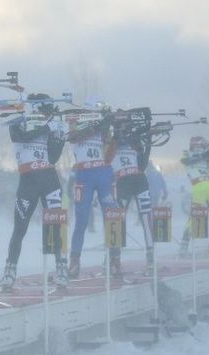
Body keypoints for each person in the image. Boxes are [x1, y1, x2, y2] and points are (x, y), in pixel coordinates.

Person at [0, 94, 68, 290]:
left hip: (49, 179)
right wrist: (48, 127)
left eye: (48, 112)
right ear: (34, 109)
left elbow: (53, 158)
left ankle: (61, 268)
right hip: (28, 181)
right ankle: (10, 270)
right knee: (19, 228)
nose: (46, 115)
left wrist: (59, 138)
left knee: (55, 226)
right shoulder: (18, 121)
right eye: (44, 110)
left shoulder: (50, 125)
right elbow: (21, 136)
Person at [66, 99, 116, 278]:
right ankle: (74, 261)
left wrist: (109, 127)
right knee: (81, 221)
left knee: (111, 217)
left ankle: (113, 258)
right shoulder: (76, 122)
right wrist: (96, 126)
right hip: (84, 174)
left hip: (103, 172)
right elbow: (73, 137)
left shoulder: (102, 127)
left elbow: (110, 150)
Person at [107, 108, 154, 276]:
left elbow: (142, 162)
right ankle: (115, 259)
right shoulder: (111, 136)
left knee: (146, 217)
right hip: (122, 181)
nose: (124, 125)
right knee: (118, 220)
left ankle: (151, 258)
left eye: (126, 122)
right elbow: (107, 158)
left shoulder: (134, 136)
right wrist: (116, 135)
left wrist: (143, 136)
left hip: (139, 179)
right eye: (121, 122)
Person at [179, 136, 209, 256]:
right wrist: (204, 155)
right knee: (194, 218)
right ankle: (184, 246)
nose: (199, 148)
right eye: (197, 146)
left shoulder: (207, 156)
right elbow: (185, 161)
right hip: (198, 187)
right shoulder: (187, 154)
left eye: (201, 146)